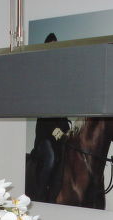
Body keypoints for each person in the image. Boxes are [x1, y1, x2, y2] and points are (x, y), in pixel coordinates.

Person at [30, 33, 69, 202]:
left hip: (59, 133)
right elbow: (44, 114)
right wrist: (57, 132)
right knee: (51, 159)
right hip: (44, 137)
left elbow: (62, 109)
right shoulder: (41, 77)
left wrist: (67, 128)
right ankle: (39, 194)